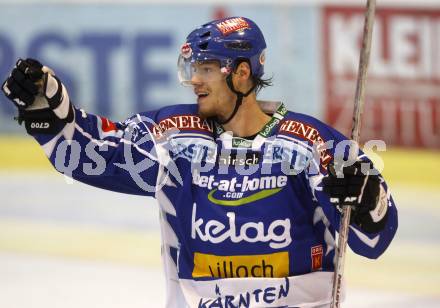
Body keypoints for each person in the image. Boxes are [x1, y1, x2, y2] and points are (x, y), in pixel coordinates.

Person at [2, 16, 397, 308]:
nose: (195, 81)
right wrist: (47, 111)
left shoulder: (309, 144)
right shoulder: (175, 136)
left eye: (206, 69)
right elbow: (85, 155)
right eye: (193, 70)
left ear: (242, 75)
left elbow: (373, 240)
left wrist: (368, 201)